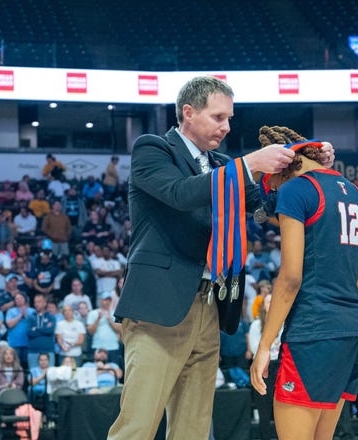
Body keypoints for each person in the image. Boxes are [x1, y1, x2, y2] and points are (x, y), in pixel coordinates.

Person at [109, 77, 334, 439]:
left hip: (211, 306)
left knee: (194, 429)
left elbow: (266, 209)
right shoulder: (152, 148)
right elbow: (180, 194)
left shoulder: (221, 163)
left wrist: (307, 169)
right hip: (159, 308)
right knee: (137, 426)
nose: (226, 127)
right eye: (218, 117)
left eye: (229, 118)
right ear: (188, 113)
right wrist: (248, 165)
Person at [249, 125, 358, 440]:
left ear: (281, 167)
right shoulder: (354, 191)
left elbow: (290, 277)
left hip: (314, 333)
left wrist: (264, 345)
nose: (274, 193)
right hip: (353, 330)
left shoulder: (296, 189)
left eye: (272, 185)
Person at [248, 293, 280, 440]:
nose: (271, 304)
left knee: (281, 406)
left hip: (279, 365)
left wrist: (269, 345)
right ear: (263, 305)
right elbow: (255, 348)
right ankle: (265, 437)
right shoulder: (256, 324)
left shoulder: (282, 322)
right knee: (264, 408)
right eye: (268, 301)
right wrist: (271, 345)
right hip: (263, 368)